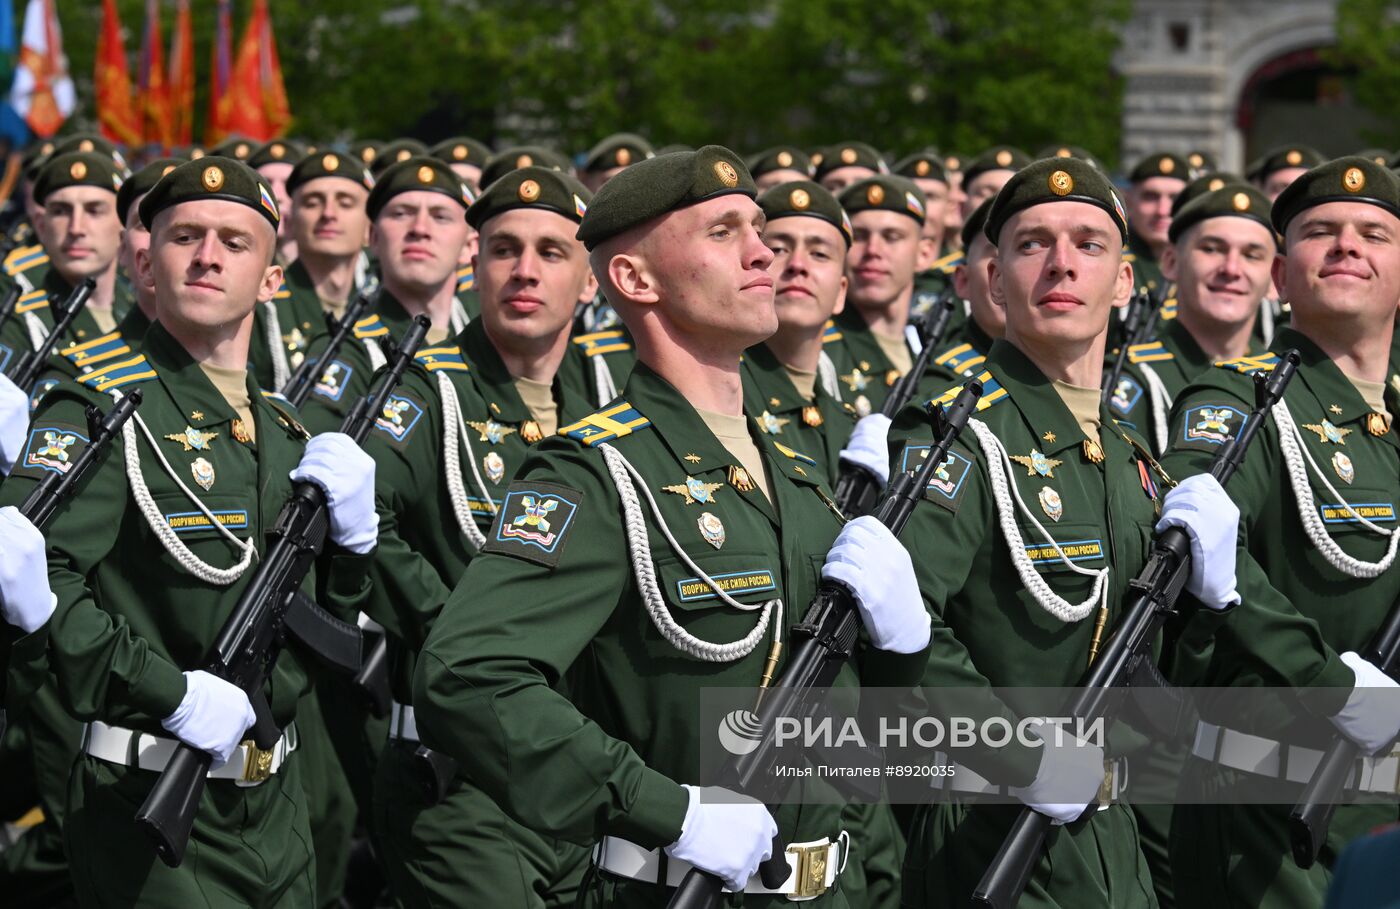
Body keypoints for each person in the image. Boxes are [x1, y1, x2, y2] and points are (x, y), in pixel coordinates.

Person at [413, 146, 933, 906]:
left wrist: (903, 655)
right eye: (725, 233)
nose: (766, 252)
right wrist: (667, 809)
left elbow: (843, 724)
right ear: (634, 278)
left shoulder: (794, 469)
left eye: (759, 227)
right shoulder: (597, 473)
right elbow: (465, 677)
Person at [0, 156, 379, 906]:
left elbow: (326, 632)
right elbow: (34, 581)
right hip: (146, 793)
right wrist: (167, 692)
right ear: (144, 261)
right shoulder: (99, 408)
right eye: (186, 237)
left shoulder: (284, 428)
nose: (209, 255)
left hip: (279, 804)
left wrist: (355, 552)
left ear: (272, 279)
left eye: (236, 243)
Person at [892, 156, 1238, 908]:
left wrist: (1211, 607)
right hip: (989, 830)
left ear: (1123, 281)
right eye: (1031, 243)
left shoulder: (1129, 456)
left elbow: (1161, 669)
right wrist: (1015, 752)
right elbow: (904, 637)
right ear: (992, 281)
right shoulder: (958, 436)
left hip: (1119, 834)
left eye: (1088, 244)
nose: (1060, 264)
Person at [1161, 156, 1400, 909]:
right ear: (1280, 277)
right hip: (1278, 805)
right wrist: (1332, 685)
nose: (1346, 246)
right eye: (1319, 232)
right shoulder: (1242, 401)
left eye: (1374, 233)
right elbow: (1207, 560)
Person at [364, 165, 603, 908]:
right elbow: (363, 525)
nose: (524, 270)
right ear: (473, 265)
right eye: (503, 249)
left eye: (552, 252)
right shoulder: (421, 391)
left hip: (577, 770)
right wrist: (466, 640)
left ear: (590, 282)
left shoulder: (606, 398)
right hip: (457, 776)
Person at [300, 157, 475, 435]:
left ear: (469, 246)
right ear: (374, 237)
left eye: (440, 216)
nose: (420, 229)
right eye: (401, 214)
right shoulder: (349, 350)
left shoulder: (488, 340)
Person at [1108, 184, 1274, 456]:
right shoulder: (1136, 380)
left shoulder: (1281, 376)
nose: (1231, 269)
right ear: (1171, 262)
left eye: (1251, 255)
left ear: (1275, 278)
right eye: (1211, 249)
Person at [740, 180, 856, 483]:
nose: (798, 265)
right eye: (777, 249)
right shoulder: (723, 399)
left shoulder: (845, 414)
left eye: (819, 253)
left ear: (841, 292)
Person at [248, 150, 375, 393]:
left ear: (369, 226)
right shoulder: (262, 309)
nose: (328, 214)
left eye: (345, 203)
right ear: (292, 218)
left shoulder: (379, 306)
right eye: (313, 202)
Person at [822, 175, 935, 416]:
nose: (873, 250)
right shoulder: (819, 353)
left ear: (924, 253)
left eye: (892, 237)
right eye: (859, 237)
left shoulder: (932, 346)